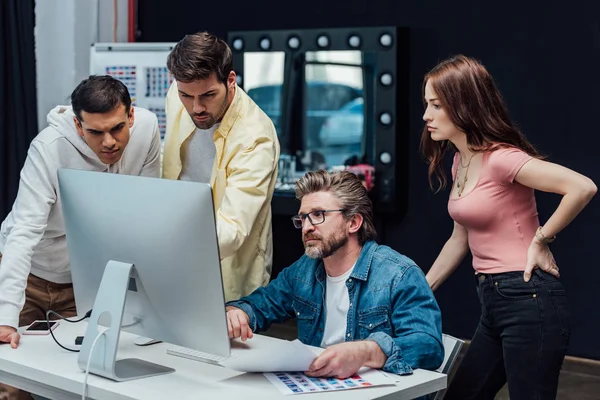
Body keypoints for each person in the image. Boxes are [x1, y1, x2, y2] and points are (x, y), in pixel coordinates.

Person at [421, 55, 597, 400]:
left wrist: (542, 239)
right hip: (494, 302)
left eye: (436, 105)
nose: (427, 115)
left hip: (529, 299)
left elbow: (582, 186)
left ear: (464, 104)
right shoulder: (461, 160)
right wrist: (420, 290)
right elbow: (459, 239)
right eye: (426, 104)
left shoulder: (503, 158)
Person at [226, 170, 443, 379]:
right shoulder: (304, 269)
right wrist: (239, 312)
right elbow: (263, 303)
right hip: (316, 387)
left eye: (318, 215)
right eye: (303, 218)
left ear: (353, 222)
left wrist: (366, 352)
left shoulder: (398, 274)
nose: (306, 228)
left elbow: (428, 345)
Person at [0, 75, 161, 347]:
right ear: (78, 124)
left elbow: (144, 214)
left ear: (131, 115)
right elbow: (24, 231)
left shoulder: (147, 130)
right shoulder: (49, 148)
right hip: (27, 277)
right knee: (12, 380)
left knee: (78, 372)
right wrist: (5, 316)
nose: (109, 142)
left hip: (82, 282)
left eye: (117, 128)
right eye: (96, 132)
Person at [163, 31, 280, 302]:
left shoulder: (255, 137)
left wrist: (163, 245)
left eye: (208, 95)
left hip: (225, 267)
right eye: (186, 96)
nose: (196, 108)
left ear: (230, 80)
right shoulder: (180, 91)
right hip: (174, 257)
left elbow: (231, 230)